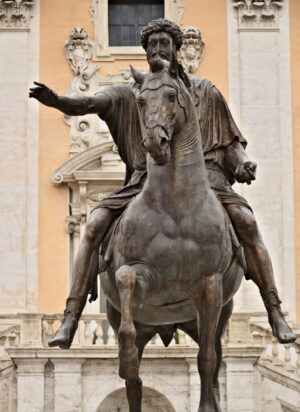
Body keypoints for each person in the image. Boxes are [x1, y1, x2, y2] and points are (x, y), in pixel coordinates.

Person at [29, 18, 296, 348]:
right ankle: (71, 317)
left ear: (176, 49)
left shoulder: (205, 92)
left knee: (247, 221)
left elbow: (231, 143)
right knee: (94, 224)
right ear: (146, 52)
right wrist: (58, 102)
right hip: (144, 183)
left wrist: (242, 164)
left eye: (164, 43)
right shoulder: (134, 93)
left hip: (207, 182)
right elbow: (91, 102)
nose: (158, 48)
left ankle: (274, 311)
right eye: (152, 44)